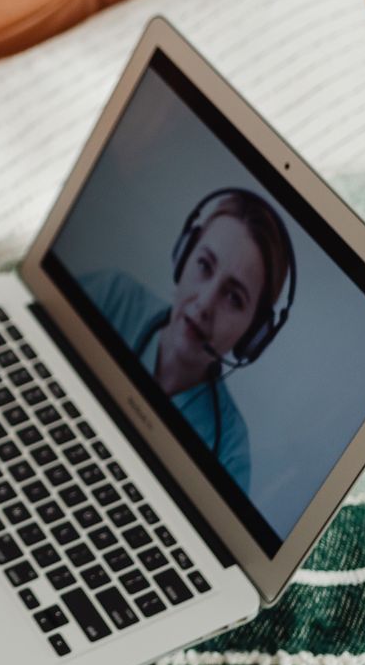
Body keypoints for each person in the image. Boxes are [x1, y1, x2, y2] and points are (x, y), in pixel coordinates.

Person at [75, 188, 294, 495]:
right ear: (183, 256)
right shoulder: (112, 296)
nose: (205, 303)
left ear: (253, 335)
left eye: (234, 297)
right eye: (204, 265)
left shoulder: (229, 448)